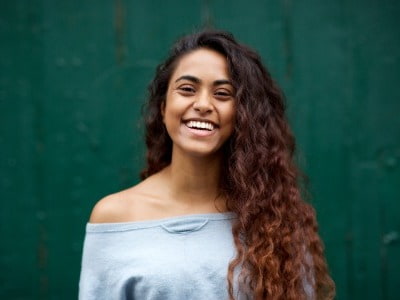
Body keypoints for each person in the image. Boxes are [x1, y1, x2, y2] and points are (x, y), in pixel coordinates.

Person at [79, 30, 335, 300]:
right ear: (164, 108)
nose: (202, 104)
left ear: (242, 115)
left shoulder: (275, 219)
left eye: (223, 93)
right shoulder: (115, 216)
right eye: (187, 89)